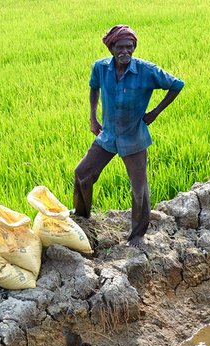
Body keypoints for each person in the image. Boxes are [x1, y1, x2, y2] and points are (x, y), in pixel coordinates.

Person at [73, 25, 184, 247]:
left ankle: (137, 234)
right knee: (82, 173)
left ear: (134, 48)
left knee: (139, 187)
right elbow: (94, 88)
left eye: (129, 47)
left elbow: (176, 85)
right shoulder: (101, 68)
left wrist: (154, 112)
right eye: (120, 47)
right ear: (111, 47)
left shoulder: (146, 70)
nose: (125, 51)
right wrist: (93, 118)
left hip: (134, 137)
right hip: (108, 135)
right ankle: (82, 217)